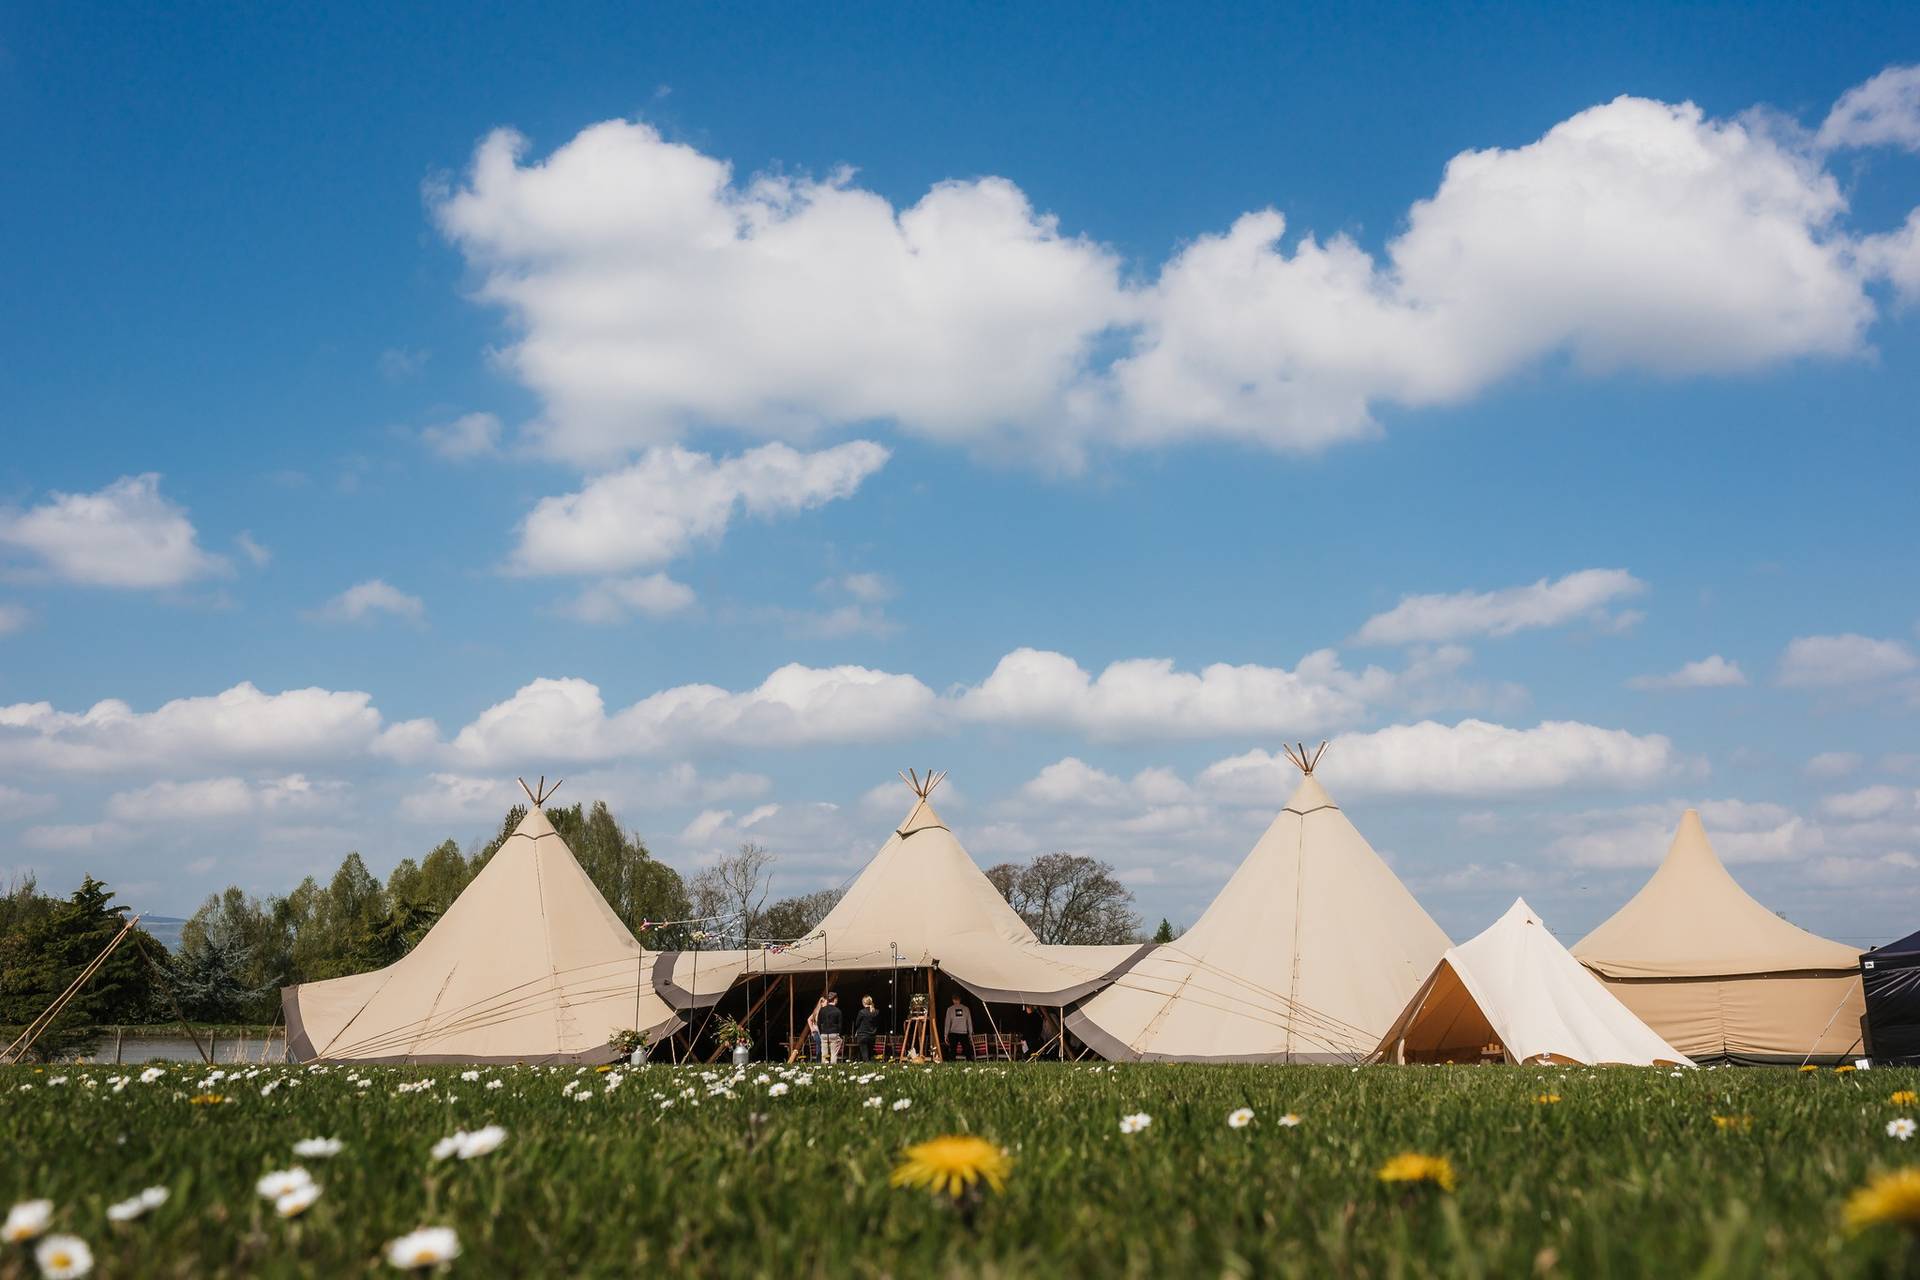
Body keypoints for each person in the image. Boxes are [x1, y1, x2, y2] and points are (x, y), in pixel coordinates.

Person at [943, 994, 974, 1061]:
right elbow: (969, 1022)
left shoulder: (950, 1009)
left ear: (953, 1000)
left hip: (953, 1032)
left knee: (952, 1051)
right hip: (963, 1032)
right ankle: (970, 1063)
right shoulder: (966, 1009)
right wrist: (971, 1034)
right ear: (960, 999)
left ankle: (952, 1064)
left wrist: (945, 1034)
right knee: (967, 1050)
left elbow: (947, 1023)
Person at [816, 991, 845, 1063]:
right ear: (835, 999)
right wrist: (839, 1034)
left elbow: (818, 1023)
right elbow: (840, 1025)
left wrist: (821, 1032)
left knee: (824, 1054)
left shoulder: (822, 1010)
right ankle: (833, 1069)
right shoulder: (838, 1011)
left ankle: (823, 1070)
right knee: (833, 1054)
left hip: (824, 1033)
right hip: (834, 1033)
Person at [851, 995, 880, 1061]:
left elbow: (857, 1024)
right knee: (870, 1054)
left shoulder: (862, 1012)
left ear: (863, 1003)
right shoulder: (876, 1012)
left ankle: (866, 1067)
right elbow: (878, 1023)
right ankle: (871, 1067)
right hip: (872, 1036)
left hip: (862, 1035)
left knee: (865, 1055)